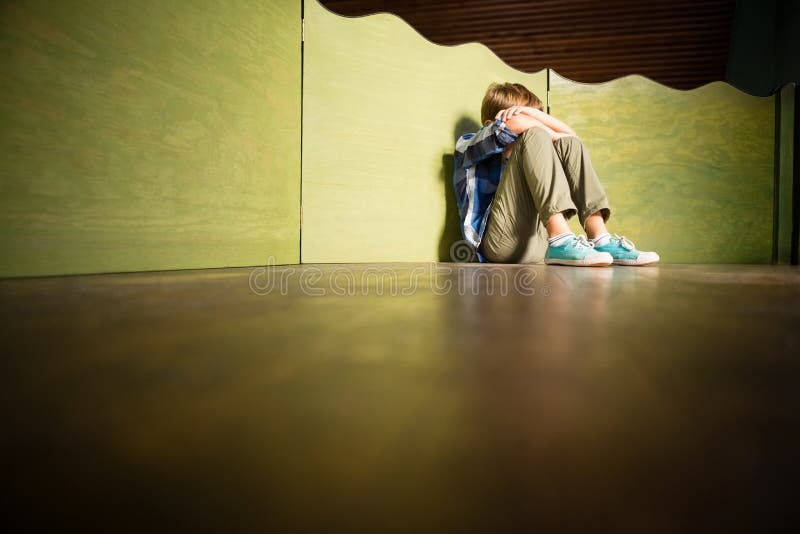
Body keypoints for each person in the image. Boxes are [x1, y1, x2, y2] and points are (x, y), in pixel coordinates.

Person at [453, 82, 659, 266]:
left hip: (536, 246)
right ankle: (560, 238)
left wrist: (531, 114)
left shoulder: (530, 146)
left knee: (569, 144)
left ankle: (599, 237)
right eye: (523, 116)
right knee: (536, 135)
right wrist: (542, 130)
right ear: (489, 124)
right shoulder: (469, 144)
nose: (532, 127)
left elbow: (571, 138)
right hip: (497, 245)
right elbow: (511, 126)